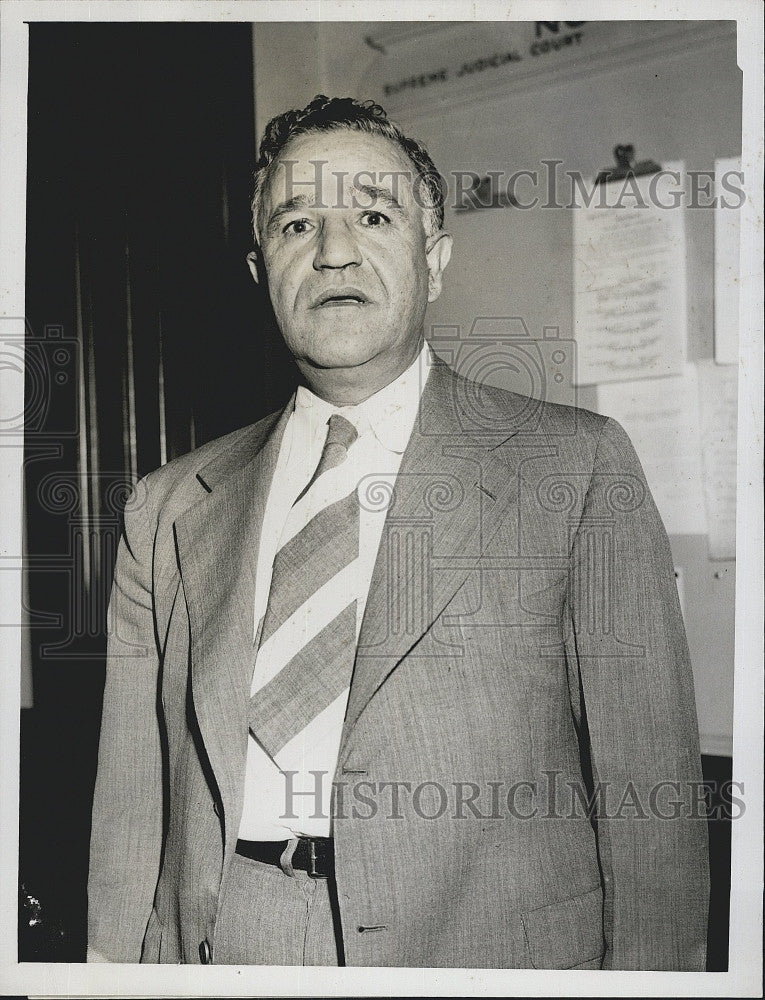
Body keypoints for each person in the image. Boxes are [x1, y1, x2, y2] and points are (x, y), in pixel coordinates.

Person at [87, 95, 709, 969]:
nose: (334, 249)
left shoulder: (575, 468)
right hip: (228, 953)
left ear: (436, 259)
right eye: (297, 222)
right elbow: (128, 811)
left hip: (484, 958)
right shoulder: (166, 507)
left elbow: (653, 802)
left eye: (373, 215)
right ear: (262, 270)